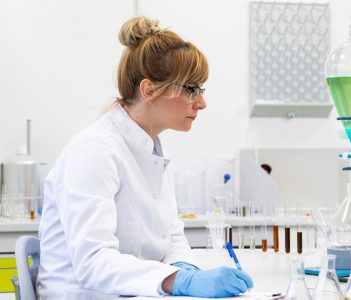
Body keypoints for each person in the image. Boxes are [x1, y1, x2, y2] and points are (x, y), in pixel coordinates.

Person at [36, 16, 253, 299]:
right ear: (149, 90)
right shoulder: (95, 151)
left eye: (201, 90)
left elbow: (171, 236)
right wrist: (180, 282)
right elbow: (93, 263)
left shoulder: (149, 149)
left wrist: (184, 268)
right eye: (191, 89)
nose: (201, 102)